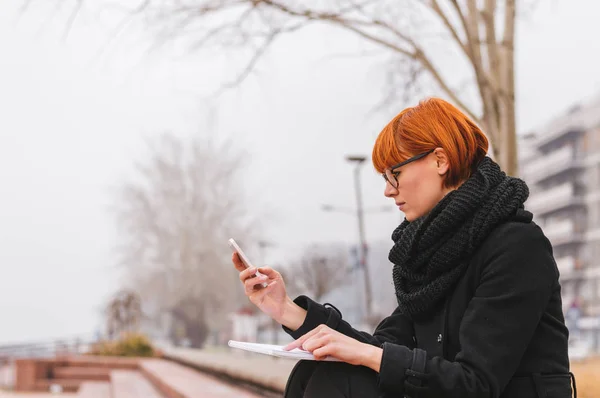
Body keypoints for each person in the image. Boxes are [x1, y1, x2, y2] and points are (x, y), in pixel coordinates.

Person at [232, 98, 575, 397]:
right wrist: (288, 311)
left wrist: (367, 356)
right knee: (321, 367)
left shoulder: (517, 246)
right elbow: (382, 348)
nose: (388, 190)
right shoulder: (432, 253)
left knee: (340, 376)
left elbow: (476, 384)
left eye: (394, 173)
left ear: (440, 161)